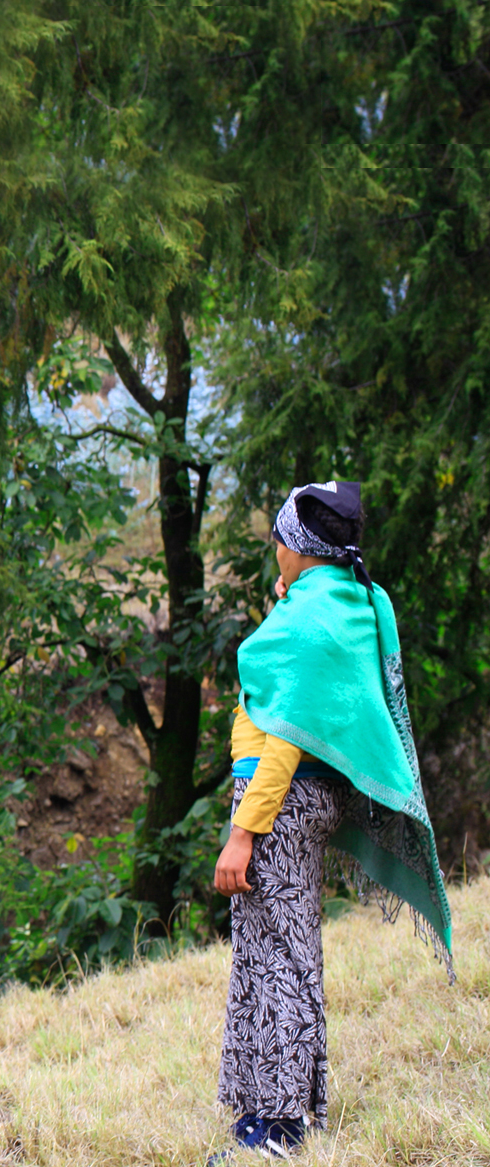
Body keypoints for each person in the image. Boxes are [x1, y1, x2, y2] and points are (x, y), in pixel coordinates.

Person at [211, 481, 454, 1160]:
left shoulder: (310, 618)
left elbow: (285, 735)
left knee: (278, 958)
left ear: (296, 545)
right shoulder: (342, 599)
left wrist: (243, 833)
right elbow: (296, 701)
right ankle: (272, 1109)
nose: (273, 551)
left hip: (277, 802)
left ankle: (280, 1127)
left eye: (278, 540)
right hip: (295, 800)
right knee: (279, 950)